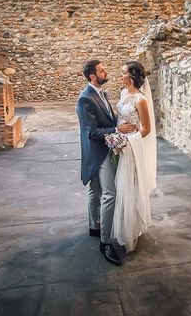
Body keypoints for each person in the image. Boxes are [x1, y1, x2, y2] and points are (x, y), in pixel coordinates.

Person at [76, 59, 137, 266]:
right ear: (93, 76)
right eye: (102, 71)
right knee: (110, 194)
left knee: (95, 190)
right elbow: (92, 132)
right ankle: (106, 243)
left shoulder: (100, 93)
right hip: (98, 152)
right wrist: (117, 130)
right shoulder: (85, 99)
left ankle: (95, 227)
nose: (105, 72)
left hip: (102, 148)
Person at [111, 60, 157, 252]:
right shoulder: (123, 93)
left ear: (131, 77)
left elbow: (146, 128)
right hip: (119, 142)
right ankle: (122, 224)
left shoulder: (141, 100)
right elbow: (121, 117)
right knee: (119, 186)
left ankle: (131, 230)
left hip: (130, 146)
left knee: (130, 185)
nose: (120, 75)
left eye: (123, 72)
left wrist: (127, 142)